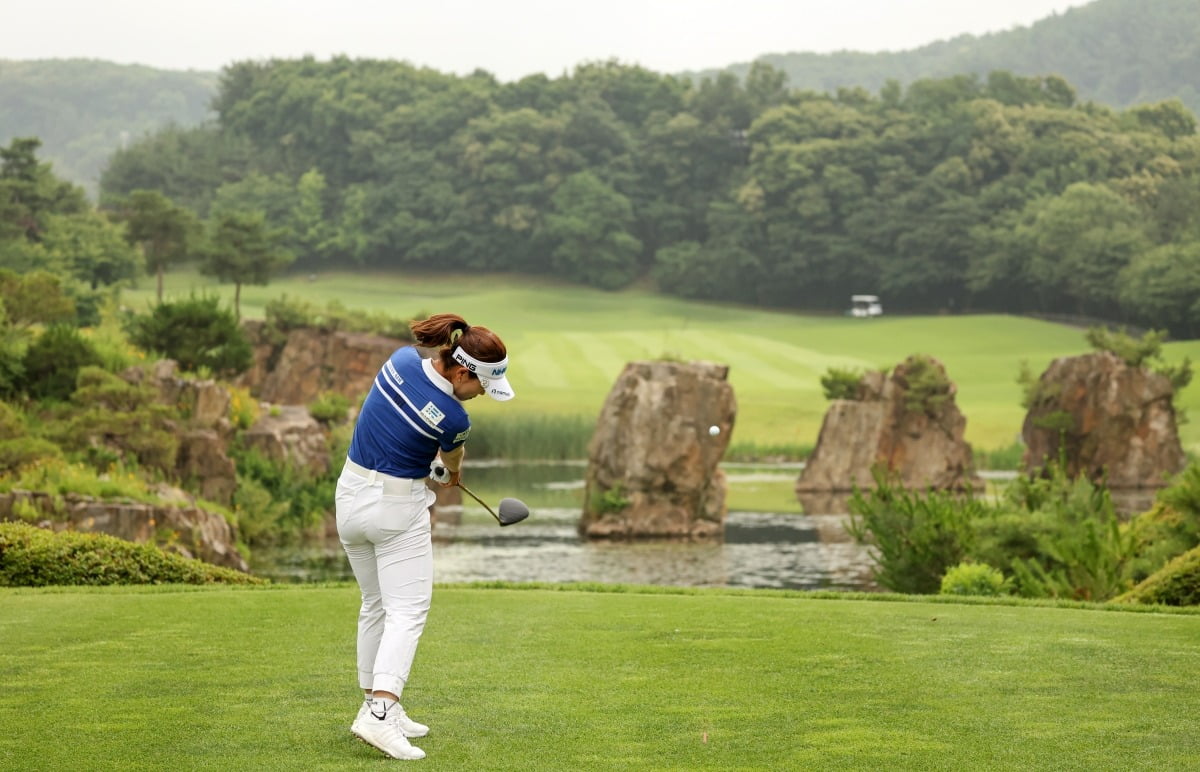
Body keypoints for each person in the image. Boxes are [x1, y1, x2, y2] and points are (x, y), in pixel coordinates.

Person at [336, 312, 514, 760]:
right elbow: (451, 460)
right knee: (408, 611)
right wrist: (449, 473)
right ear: (462, 372)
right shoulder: (454, 417)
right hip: (395, 511)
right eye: (481, 387)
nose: (479, 397)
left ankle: (377, 705)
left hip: (350, 499)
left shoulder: (398, 361)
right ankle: (379, 712)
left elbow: (400, 429)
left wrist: (427, 465)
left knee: (375, 605)